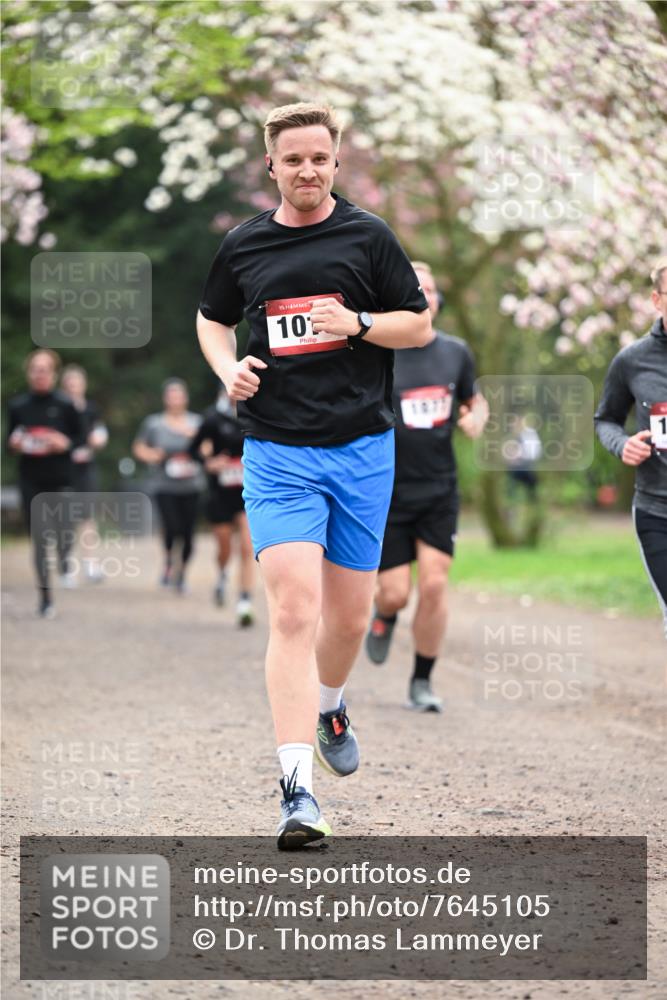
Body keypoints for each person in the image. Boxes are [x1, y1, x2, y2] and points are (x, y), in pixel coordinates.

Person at [196, 102, 430, 848]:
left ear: (336, 163)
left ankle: (332, 705)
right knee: (294, 612)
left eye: (319, 158)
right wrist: (228, 366)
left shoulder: (368, 237)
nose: (306, 170)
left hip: (362, 449)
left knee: (349, 620)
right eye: (292, 158)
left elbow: (416, 324)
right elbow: (210, 317)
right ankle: (297, 794)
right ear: (271, 165)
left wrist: (355, 323)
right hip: (276, 451)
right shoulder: (243, 245)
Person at [365, 261, 488, 709]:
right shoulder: (382, 352)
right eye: (417, 289)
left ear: (438, 299)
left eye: (432, 289)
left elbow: (476, 400)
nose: (426, 295)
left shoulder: (456, 352)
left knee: (434, 584)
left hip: (439, 488)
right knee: (396, 592)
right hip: (389, 490)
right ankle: (384, 615)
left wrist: (476, 417)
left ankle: (421, 681)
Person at [595, 257, 667, 636]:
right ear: (657, 300)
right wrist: (622, 444)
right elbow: (605, 419)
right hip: (658, 510)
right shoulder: (633, 360)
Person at [6, 348, 83, 618]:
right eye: (35, 369)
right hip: (31, 480)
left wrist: (64, 443)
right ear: (29, 373)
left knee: (64, 533)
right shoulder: (18, 406)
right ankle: (45, 597)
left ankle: (64, 556)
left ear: (53, 373)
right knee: (39, 540)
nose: (40, 374)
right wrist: (14, 444)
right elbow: (9, 444)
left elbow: (80, 440)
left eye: (45, 369)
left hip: (60, 479)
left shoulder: (65, 404)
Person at [188, 384, 255, 625]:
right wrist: (210, 463)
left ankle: (245, 602)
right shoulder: (212, 418)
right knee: (225, 547)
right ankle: (223, 575)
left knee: (248, 547)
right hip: (220, 493)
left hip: (249, 492)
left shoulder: (258, 412)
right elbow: (193, 449)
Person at [132, 379, 204, 594]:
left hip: (192, 485)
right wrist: (153, 455)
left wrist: (198, 440)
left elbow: (209, 448)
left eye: (179, 395)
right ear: (165, 399)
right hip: (164, 485)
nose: (175, 399)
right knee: (172, 528)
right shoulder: (154, 423)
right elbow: (139, 447)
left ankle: (182, 573)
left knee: (189, 533)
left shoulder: (197, 422)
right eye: (171, 395)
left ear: (186, 398)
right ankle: (168, 563)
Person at [60, 364, 109, 583]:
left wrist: (99, 439)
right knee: (66, 517)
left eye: (77, 382)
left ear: (83, 385)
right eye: (69, 383)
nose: (73, 386)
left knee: (88, 516)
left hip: (86, 468)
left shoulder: (90, 408)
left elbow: (99, 430)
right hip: (64, 469)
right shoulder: (59, 408)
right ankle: (67, 565)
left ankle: (90, 564)